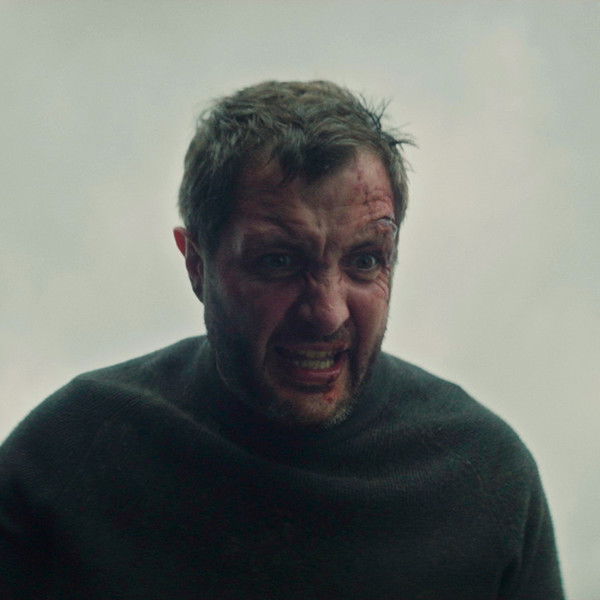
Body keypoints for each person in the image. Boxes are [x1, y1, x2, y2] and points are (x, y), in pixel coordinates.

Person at [0, 81, 564, 599]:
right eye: (279, 261)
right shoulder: (63, 460)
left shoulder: (486, 478)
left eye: (366, 260)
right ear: (196, 264)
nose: (327, 313)